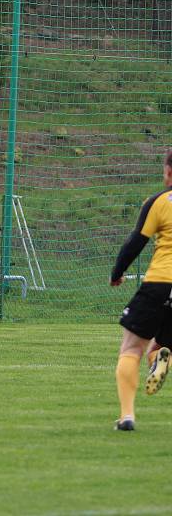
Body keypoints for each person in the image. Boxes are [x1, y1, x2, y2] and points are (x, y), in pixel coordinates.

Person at [110, 149, 172, 431]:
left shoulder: (159, 202)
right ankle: (160, 359)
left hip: (160, 281)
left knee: (131, 347)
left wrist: (117, 272)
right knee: (160, 344)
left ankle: (126, 416)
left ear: (169, 172)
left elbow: (137, 241)